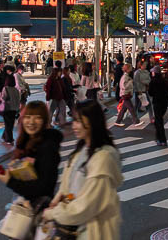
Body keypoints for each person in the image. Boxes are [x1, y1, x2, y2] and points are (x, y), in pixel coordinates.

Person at [42, 100, 123, 239]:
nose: (74, 125)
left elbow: (87, 205)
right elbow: (68, 185)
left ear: (92, 122)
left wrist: (53, 213)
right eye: (74, 120)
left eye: (79, 121)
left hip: (94, 232)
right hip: (74, 228)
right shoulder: (82, 149)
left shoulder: (103, 158)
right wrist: (57, 200)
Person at [0, 100, 62, 207]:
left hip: (39, 210)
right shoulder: (25, 143)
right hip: (23, 205)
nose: (31, 122)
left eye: (37, 118)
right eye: (28, 117)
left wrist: (9, 180)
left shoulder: (48, 147)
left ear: (45, 121)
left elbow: (43, 188)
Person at [115, 63, 141, 127]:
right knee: (131, 108)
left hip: (126, 94)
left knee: (123, 109)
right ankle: (136, 121)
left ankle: (118, 121)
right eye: (130, 68)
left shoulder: (126, 76)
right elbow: (124, 86)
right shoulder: (125, 77)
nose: (131, 69)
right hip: (125, 94)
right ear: (127, 69)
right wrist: (130, 82)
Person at [148, 65, 168, 146]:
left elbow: (150, 93)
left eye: (152, 72)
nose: (152, 73)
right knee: (158, 120)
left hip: (157, 102)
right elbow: (167, 90)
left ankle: (162, 139)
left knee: (159, 121)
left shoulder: (153, 81)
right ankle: (158, 138)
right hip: (165, 102)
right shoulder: (164, 80)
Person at [0, 74, 21, 144]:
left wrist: (0, 95)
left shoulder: (5, 88)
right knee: (11, 124)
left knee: (7, 124)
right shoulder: (16, 90)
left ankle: (9, 139)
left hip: (7, 108)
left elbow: (3, 98)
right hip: (14, 109)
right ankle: (5, 136)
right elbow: (18, 99)